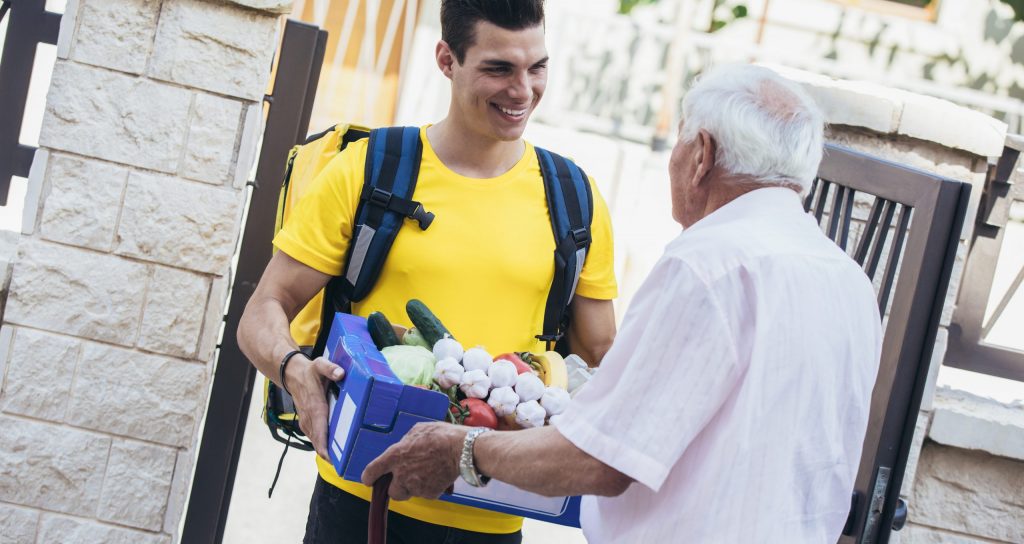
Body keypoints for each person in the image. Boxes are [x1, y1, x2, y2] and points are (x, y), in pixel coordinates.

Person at [361, 63, 884, 543]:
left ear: (700, 154)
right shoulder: (850, 284)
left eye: (679, 139)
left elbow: (601, 460)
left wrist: (461, 449)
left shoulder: (709, 265)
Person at [236, 1, 618, 542]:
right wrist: (295, 370)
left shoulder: (575, 198)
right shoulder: (371, 168)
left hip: (493, 511)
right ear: (446, 59)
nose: (523, 91)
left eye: (537, 67)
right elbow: (262, 310)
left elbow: (603, 363)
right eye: (498, 68)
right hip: (361, 500)